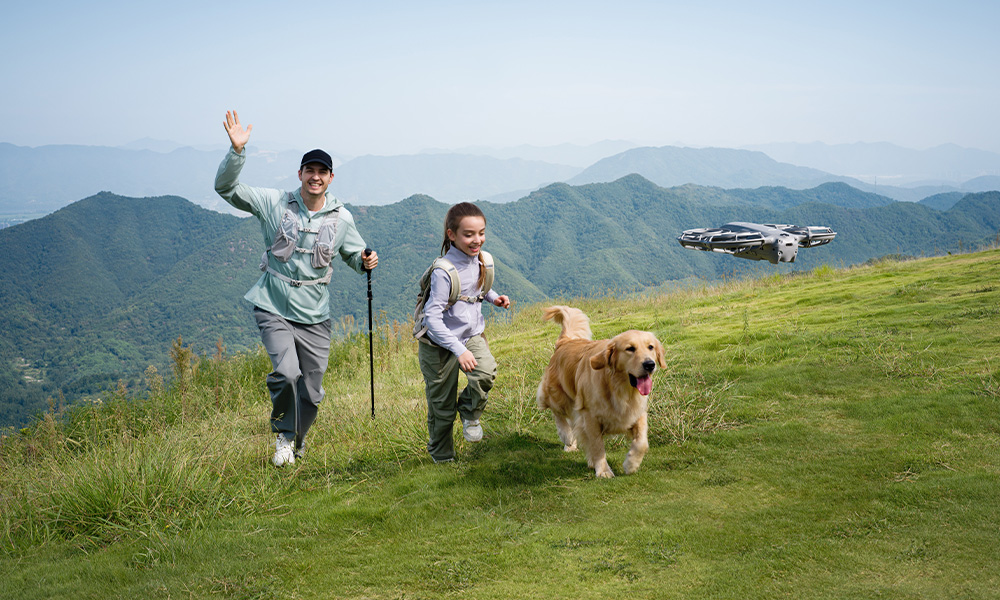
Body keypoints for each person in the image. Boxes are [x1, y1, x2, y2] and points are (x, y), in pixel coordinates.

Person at [214, 110, 378, 467]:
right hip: (272, 303)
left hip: (315, 313)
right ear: (300, 174)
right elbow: (226, 189)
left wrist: (365, 261)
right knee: (287, 373)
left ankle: (298, 438)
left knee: (313, 392)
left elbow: (352, 255)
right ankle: (284, 438)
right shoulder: (274, 202)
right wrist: (237, 152)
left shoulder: (341, 218)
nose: (315, 177)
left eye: (322, 172)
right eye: (310, 171)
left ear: (331, 177)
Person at [418, 202, 511, 463]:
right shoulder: (443, 271)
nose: (477, 240)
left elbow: (475, 287)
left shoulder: (482, 260)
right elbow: (432, 319)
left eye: (481, 233)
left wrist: (494, 298)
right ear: (452, 235)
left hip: (471, 334)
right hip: (438, 344)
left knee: (486, 371)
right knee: (442, 406)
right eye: (468, 234)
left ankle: (470, 413)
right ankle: (443, 457)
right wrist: (459, 351)